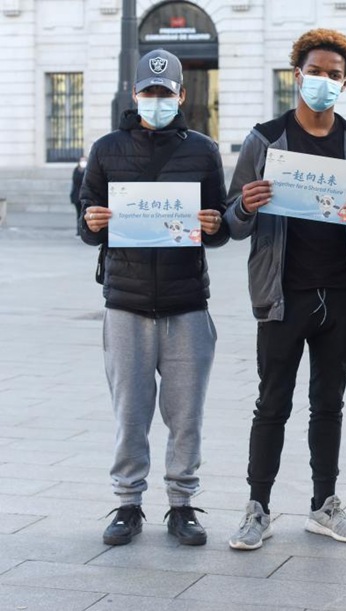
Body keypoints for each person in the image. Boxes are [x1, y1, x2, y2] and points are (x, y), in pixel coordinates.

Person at [225, 29, 346, 551]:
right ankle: (257, 507)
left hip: (341, 294)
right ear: (297, 74)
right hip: (282, 295)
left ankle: (324, 504)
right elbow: (232, 221)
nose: (323, 82)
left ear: (345, 82)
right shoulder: (264, 139)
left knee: (329, 405)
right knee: (272, 404)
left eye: (334, 76)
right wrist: (247, 204)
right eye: (315, 72)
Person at [80, 49, 229, 546]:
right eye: (149, 92)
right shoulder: (105, 149)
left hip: (187, 302)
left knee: (186, 414)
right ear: (135, 94)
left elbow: (219, 225)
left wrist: (215, 225)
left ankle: (183, 504)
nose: (157, 100)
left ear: (182, 95)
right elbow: (86, 221)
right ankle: (127, 503)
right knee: (130, 411)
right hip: (126, 301)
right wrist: (92, 221)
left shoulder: (204, 151)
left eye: (166, 93)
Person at [70, 156, 87, 236]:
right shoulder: (76, 170)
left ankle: (84, 230)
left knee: (84, 214)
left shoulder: (88, 170)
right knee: (79, 214)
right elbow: (75, 181)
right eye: (82, 161)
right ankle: (79, 231)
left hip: (85, 196)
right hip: (77, 197)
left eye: (85, 161)